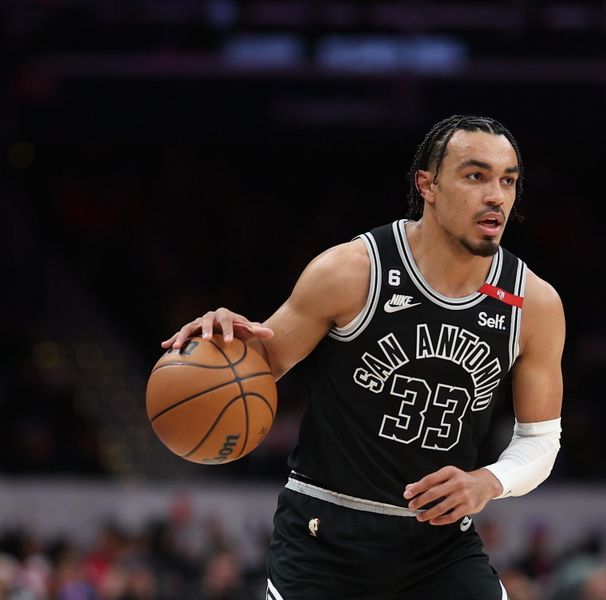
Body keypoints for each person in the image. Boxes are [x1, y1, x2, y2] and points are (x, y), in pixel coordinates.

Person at [162, 115, 565, 600]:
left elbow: (541, 442)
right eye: (475, 176)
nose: (496, 196)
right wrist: (221, 345)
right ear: (428, 185)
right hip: (325, 536)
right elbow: (260, 365)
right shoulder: (352, 271)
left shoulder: (534, 303)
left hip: (437, 546)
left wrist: (489, 481)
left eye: (509, 181)